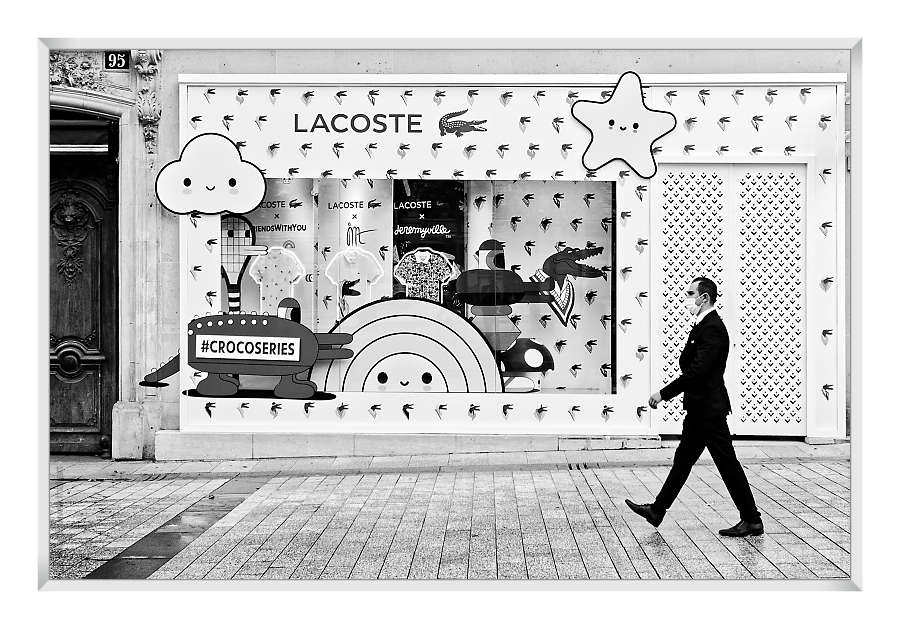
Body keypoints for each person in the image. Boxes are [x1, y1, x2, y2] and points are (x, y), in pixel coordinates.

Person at [625, 277, 764, 537]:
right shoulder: (703, 325)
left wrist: (662, 394)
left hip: (709, 411)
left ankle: (752, 519)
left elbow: (697, 372)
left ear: (705, 298)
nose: (687, 298)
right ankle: (657, 510)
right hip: (700, 410)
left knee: (727, 464)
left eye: (691, 293)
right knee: (683, 461)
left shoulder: (712, 328)